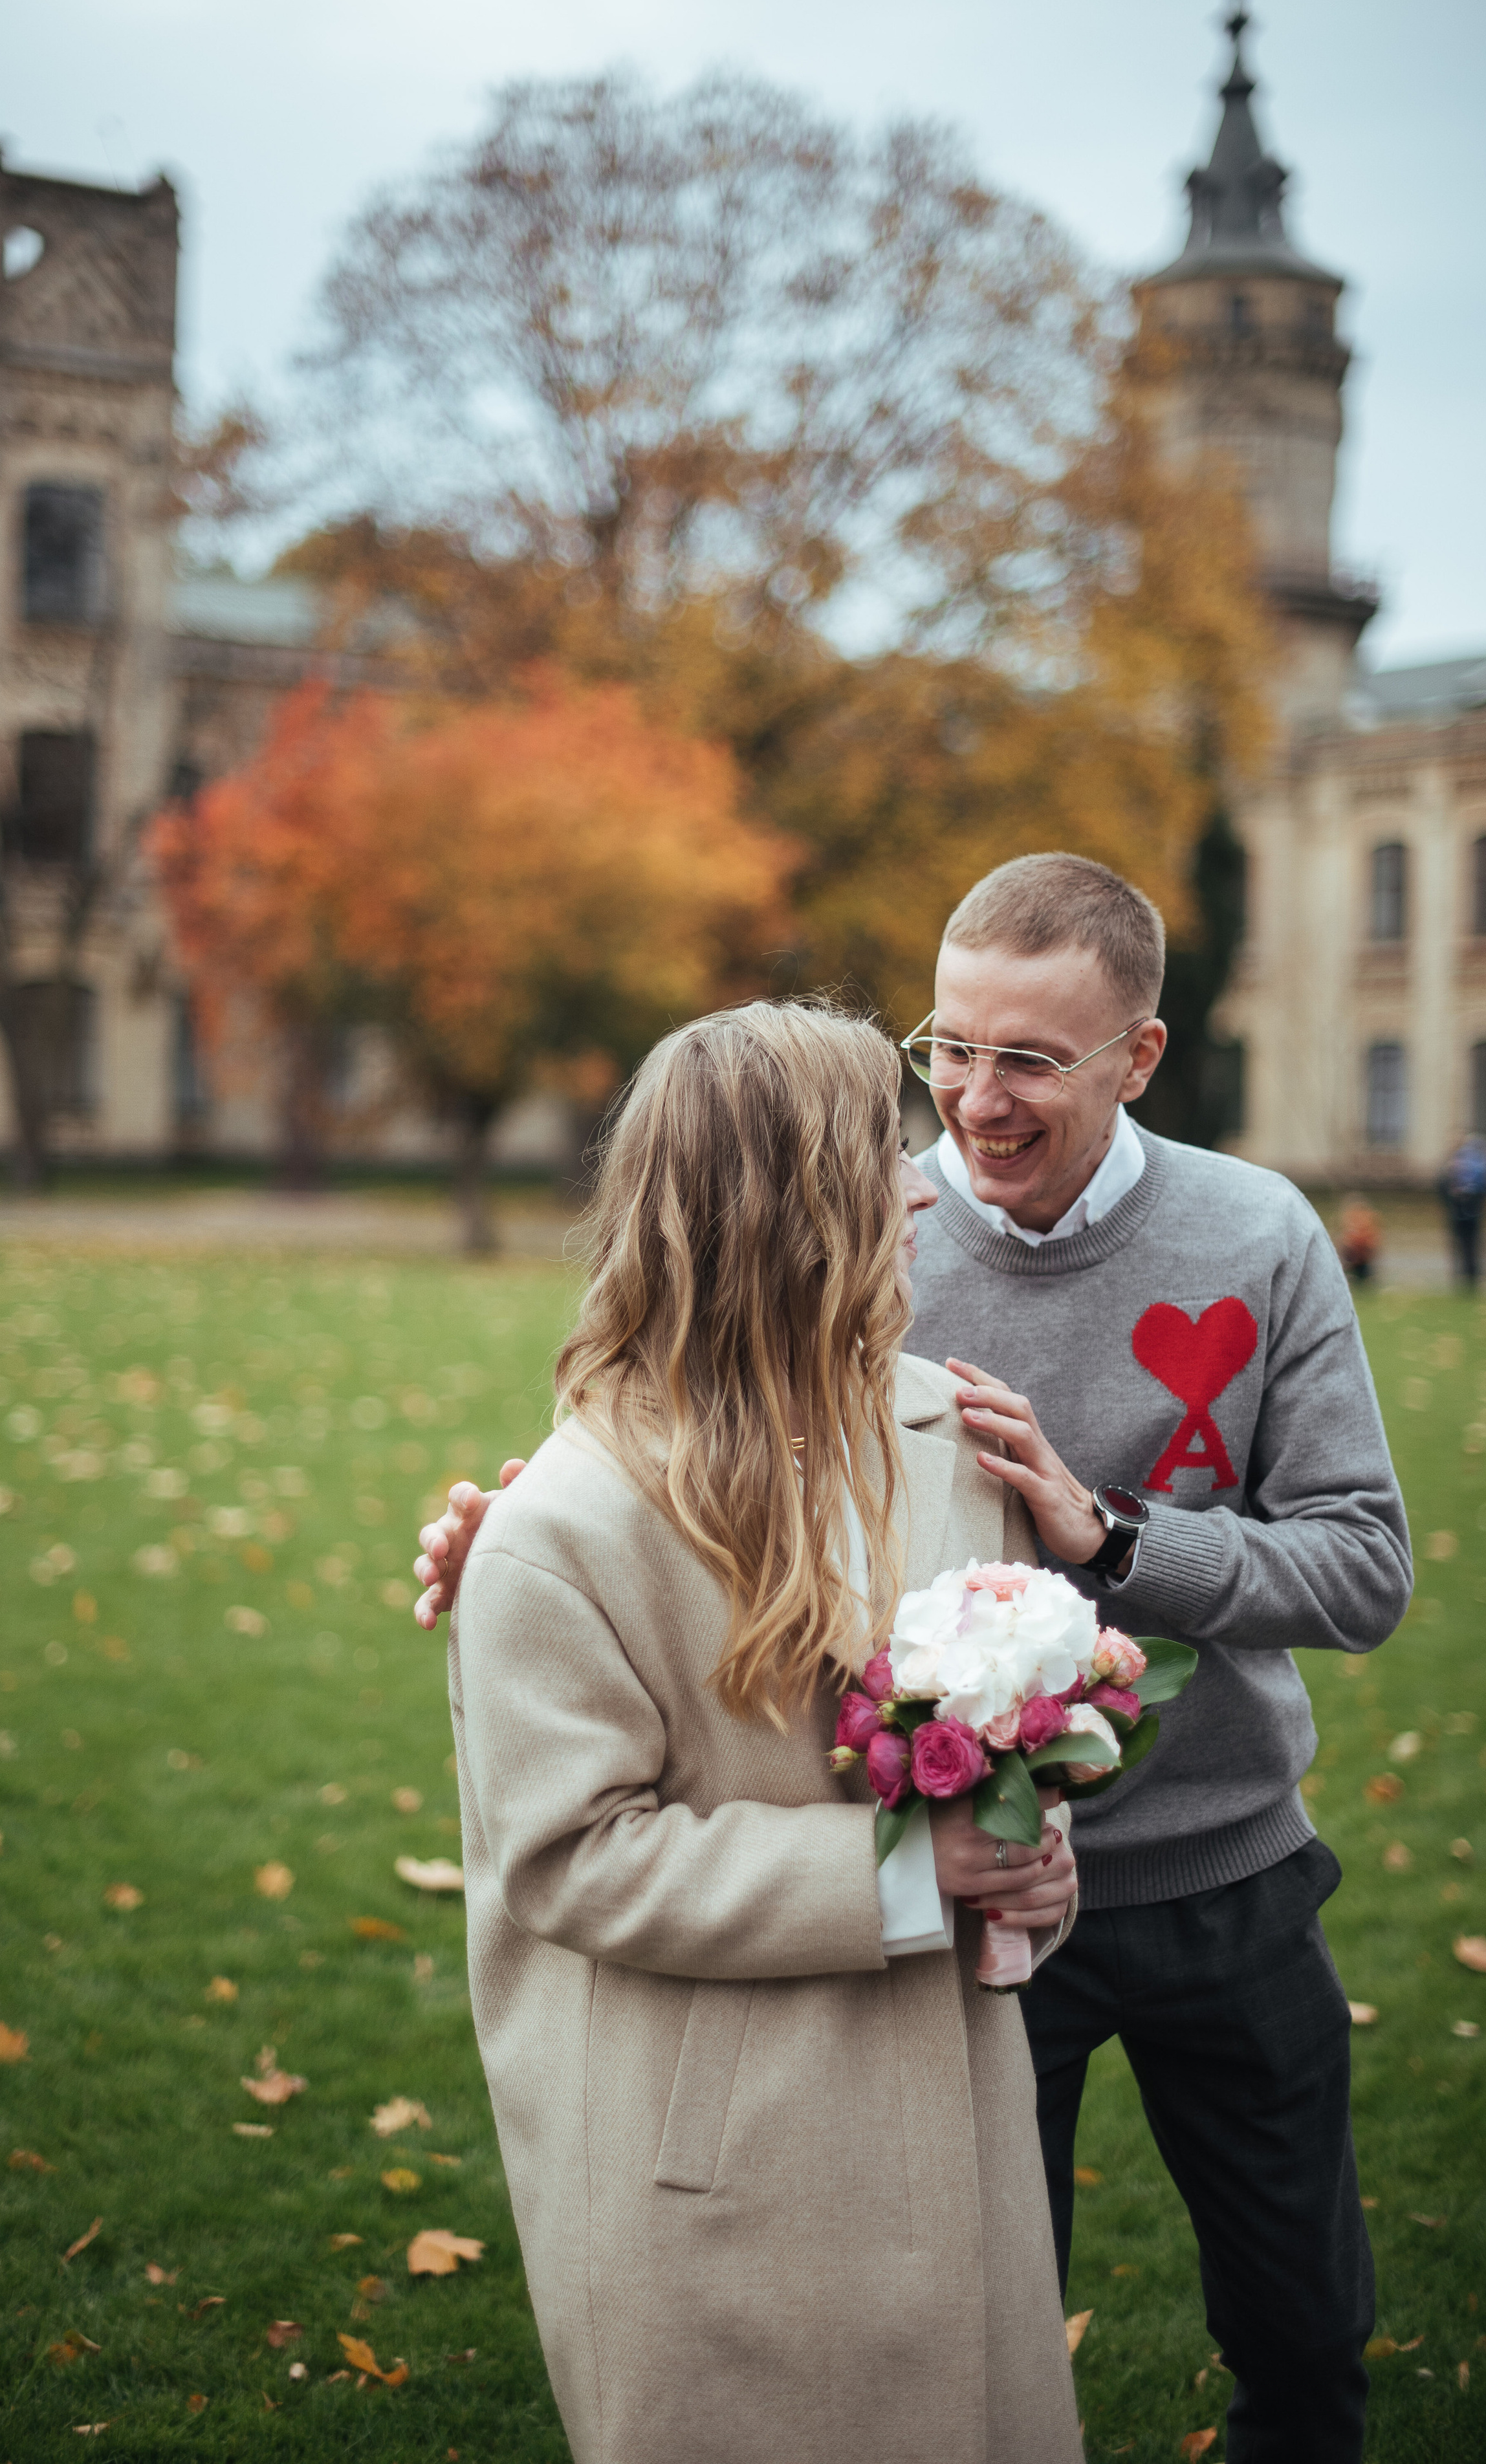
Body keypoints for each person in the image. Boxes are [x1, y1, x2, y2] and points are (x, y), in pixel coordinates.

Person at [421, 856, 1413, 2464]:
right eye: (944, 1050)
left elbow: (1363, 1565)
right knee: (954, 2322)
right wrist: (509, 1538)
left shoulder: (1253, 1232)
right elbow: (677, 1414)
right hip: (945, 1922)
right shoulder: (871, 1224)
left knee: (1294, 2326)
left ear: (1134, 1058)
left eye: (1025, 1059)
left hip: (1211, 1867)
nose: (964, 1110)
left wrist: (1109, 1540)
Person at [446, 1001, 1082, 2464]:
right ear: (782, 1205)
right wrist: (905, 1874)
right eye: (884, 1151)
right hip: (721, 2163)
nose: (925, 1180)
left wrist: (1036, 1867)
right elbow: (570, 1861)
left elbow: (1003, 1753)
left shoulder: (950, 1438)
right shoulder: (564, 1523)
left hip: (957, 2122)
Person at [1437, 1132, 1486, 1289]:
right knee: (1467, 1242)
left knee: (1469, 1241)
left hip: (1467, 1208)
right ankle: (1468, 1273)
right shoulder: (1467, 1163)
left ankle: (1470, 1273)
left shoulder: (1466, 1164)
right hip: (1463, 1209)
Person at [1335, 1194, 1381, 1287]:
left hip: (1364, 1265)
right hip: (1351, 1264)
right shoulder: (1349, 1231)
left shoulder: (1369, 1230)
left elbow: (1374, 1246)